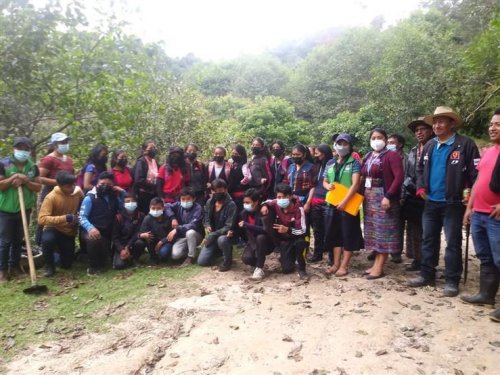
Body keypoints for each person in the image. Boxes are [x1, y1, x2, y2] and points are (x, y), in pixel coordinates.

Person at [408, 106, 480, 297]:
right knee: (428, 239)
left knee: (453, 242)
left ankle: (451, 280)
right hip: (431, 201)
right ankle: (427, 274)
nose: (437, 125)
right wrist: (421, 187)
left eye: (441, 121)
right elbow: (420, 169)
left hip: (454, 202)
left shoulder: (465, 145)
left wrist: (470, 198)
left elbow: (475, 176)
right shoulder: (430, 145)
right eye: (435, 122)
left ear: (452, 123)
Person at [461, 109, 500, 322]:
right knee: (485, 257)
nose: (492, 128)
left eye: (498, 125)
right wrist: (469, 207)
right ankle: (486, 295)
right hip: (479, 213)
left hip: (496, 216)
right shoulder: (488, 152)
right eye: (491, 124)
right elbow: (478, 181)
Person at [360, 128, 404, 279]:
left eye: (379, 137)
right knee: (374, 231)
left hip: (384, 196)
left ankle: (379, 267)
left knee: (384, 232)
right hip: (369, 196)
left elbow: (399, 177)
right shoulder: (368, 155)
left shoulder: (392, 155)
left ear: (385, 140)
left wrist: (388, 196)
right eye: (373, 137)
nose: (376, 140)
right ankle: (375, 264)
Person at [0, 137, 42, 282]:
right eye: (20, 148)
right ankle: (2, 270)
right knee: (5, 241)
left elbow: (38, 187)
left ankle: (15, 266)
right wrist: (14, 178)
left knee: (18, 240)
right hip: (5, 209)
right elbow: (0, 185)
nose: (22, 151)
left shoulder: (33, 167)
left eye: (26, 149)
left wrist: (25, 181)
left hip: (24, 208)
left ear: (30, 151)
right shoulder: (3, 164)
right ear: (14, 149)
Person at [323, 134, 363, 276]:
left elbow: (356, 184)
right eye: (339, 143)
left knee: (348, 234)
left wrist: (344, 201)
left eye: (344, 143)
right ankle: (335, 264)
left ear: (350, 146)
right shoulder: (330, 163)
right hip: (332, 203)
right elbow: (325, 180)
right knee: (335, 234)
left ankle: (344, 266)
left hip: (348, 204)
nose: (341, 146)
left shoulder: (354, 163)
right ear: (334, 145)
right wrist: (327, 185)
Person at [401, 117, 435, 271]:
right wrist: (404, 192)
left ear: (431, 130)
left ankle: (428, 262)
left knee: (428, 230)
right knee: (413, 228)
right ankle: (416, 258)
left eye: (423, 129)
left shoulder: (436, 147)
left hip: (430, 194)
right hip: (412, 193)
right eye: (416, 130)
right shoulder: (414, 151)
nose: (419, 132)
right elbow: (408, 173)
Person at [38, 171, 83, 276]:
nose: (72, 188)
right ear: (60, 186)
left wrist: (78, 217)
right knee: (48, 240)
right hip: (53, 228)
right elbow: (42, 219)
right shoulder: (51, 197)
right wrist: (64, 218)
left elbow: (83, 204)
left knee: (67, 264)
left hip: (68, 231)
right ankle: (49, 265)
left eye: (73, 184)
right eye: (68, 186)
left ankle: (57, 256)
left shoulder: (78, 192)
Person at [79, 171, 122, 275]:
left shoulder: (114, 197)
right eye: (102, 184)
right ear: (97, 183)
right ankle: (92, 267)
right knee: (93, 239)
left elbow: (123, 209)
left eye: (108, 185)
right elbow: (81, 217)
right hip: (91, 231)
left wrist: (122, 192)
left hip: (107, 233)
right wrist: (90, 228)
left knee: (104, 260)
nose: (105, 187)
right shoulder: (89, 198)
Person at [37, 132, 75, 247]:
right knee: (45, 221)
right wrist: (58, 182)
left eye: (66, 142)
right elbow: (39, 177)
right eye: (62, 142)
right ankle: (41, 248)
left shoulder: (68, 160)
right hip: (50, 194)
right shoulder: (48, 159)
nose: (65, 144)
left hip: (66, 194)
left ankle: (60, 249)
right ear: (54, 145)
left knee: (63, 220)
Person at [263, 183, 307, 279]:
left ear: (290, 196)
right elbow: (268, 201)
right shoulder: (276, 202)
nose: (280, 200)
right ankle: (284, 254)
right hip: (284, 240)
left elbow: (303, 230)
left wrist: (288, 230)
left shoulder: (299, 208)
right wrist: (265, 206)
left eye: (283, 197)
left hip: (296, 238)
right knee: (287, 269)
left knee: (300, 243)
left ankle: (301, 268)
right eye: (278, 197)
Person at [197, 179, 237, 271]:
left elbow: (229, 226)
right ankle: (219, 252)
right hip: (212, 235)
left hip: (224, 235)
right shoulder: (209, 202)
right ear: (212, 191)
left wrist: (212, 235)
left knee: (222, 240)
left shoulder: (231, 205)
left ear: (225, 190)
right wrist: (207, 225)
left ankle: (227, 261)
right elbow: (206, 215)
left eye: (220, 190)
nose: (217, 193)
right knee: (202, 262)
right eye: (215, 191)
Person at [239, 188, 274, 280]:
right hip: (252, 242)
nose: (245, 205)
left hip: (267, 242)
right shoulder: (244, 214)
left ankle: (259, 268)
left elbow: (265, 230)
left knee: (261, 237)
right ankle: (257, 262)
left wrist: (247, 225)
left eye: (248, 202)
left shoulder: (264, 211)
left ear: (256, 202)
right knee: (246, 258)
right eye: (244, 202)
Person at [165, 187, 204, 266]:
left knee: (190, 232)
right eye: (183, 199)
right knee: (175, 256)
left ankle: (191, 257)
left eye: (188, 199)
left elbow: (194, 225)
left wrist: (177, 228)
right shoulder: (178, 205)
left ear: (194, 199)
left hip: (196, 235)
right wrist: (173, 218)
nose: (185, 201)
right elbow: (166, 206)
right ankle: (192, 249)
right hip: (182, 237)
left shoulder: (198, 208)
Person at [308, 144, 333, 263]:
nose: (316, 155)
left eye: (318, 153)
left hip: (328, 200)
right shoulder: (316, 166)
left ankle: (331, 257)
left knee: (330, 230)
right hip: (315, 200)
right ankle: (317, 254)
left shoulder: (332, 164)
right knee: (317, 230)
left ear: (324, 153)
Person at [111, 193, 146, 269]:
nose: (130, 203)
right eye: (127, 201)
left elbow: (139, 232)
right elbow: (115, 237)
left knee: (140, 242)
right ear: (123, 204)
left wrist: (128, 246)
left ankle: (135, 259)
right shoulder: (118, 217)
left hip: (134, 242)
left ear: (136, 203)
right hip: (121, 245)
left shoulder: (141, 216)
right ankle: (126, 258)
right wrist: (121, 249)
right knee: (119, 266)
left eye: (133, 201)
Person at [387, 133, 407, 264]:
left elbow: (404, 178)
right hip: (383, 193)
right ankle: (378, 249)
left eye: (392, 142)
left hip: (397, 195)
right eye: (388, 142)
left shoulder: (405, 158)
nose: (389, 144)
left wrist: (402, 195)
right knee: (382, 224)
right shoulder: (384, 155)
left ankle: (396, 252)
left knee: (397, 225)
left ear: (399, 144)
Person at [138, 197, 173, 264]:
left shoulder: (168, 217)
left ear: (163, 208)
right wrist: (143, 235)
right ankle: (153, 257)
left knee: (163, 254)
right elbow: (140, 233)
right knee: (143, 239)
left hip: (166, 241)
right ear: (149, 208)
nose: (156, 210)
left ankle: (166, 255)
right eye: (153, 208)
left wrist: (161, 242)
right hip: (152, 242)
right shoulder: (147, 218)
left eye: (158, 208)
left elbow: (172, 234)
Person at [133, 141, 159, 214]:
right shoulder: (141, 162)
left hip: (154, 194)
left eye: (154, 148)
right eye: (150, 148)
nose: (153, 149)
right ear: (144, 150)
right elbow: (139, 180)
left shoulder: (154, 161)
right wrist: (153, 186)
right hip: (144, 195)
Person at [227, 144, 248, 212]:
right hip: (231, 195)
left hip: (240, 196)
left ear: (241, 154)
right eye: (233, 153)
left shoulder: (244, 166)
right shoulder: (233, 165)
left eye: (236, 154)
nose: (234, 155)